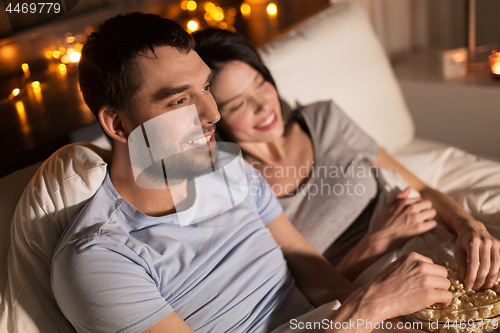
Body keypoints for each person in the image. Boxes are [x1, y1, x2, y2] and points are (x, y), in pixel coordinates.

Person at [50, 13, 453, 333]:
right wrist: (372, 308)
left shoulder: (229, 171)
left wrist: (395, 321)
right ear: (118, 126)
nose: (212, 115)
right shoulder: (101, 259)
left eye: (206, 88)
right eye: (178, 101)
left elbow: (322, 284)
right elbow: (356, 309)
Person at [192, 28, 500, 287]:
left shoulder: (324, 120)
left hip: (440, 246)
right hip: (376, 288)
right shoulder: (243, 186)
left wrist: (469, 226)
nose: (263, 105)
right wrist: (378, 241)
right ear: (215, 117)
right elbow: (302, 292)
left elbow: (421, 189)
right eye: (238, 104)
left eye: (260, 84)